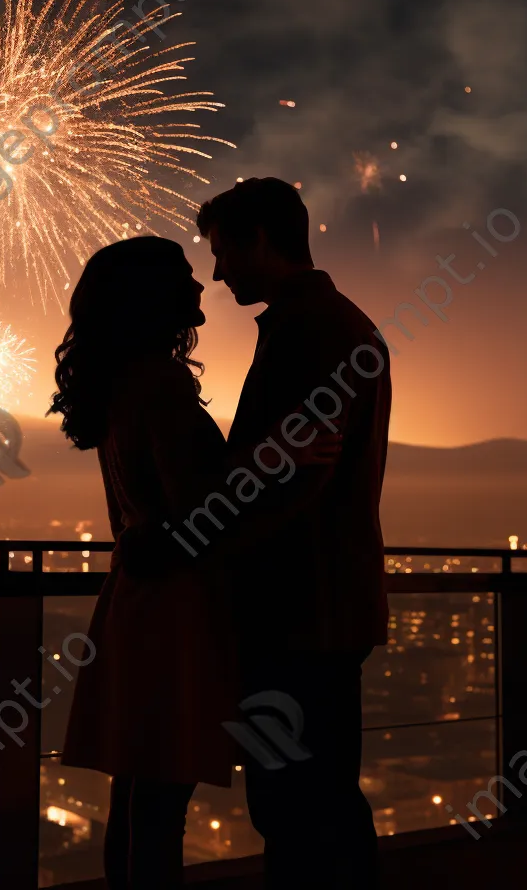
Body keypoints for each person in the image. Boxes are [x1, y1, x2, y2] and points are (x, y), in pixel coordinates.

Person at [48, 236, 338, 889]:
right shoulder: (158, 383)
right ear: (152, 297)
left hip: (137, 604)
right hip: (176, 614)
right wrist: (279, 459)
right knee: (160, 799)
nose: (200, 284)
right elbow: (206, 506)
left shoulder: (121, 381)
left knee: (138, 793)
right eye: (182, 276)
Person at [189, 177, 392, 888]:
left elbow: (292, 481)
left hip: (296, 608)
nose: (216, 273)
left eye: (223, 253)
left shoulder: (309, 331)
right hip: (324, 605)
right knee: (321, 796)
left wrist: (215, 547)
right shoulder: (334, 323)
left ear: (262, 241)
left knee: (295, 802)